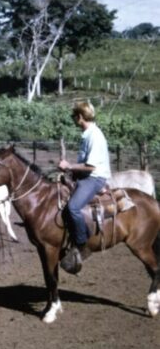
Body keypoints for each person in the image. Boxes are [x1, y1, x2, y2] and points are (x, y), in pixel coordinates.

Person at [58, 101, 111, 274]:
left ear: (80, 117)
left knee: (73, 207)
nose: (73, 119)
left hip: (95, 178)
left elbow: (91, 166)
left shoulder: (94, 136)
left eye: (74, 116)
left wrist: (69, 166)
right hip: (87, 176)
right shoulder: (87, 134)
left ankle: (82, 243)